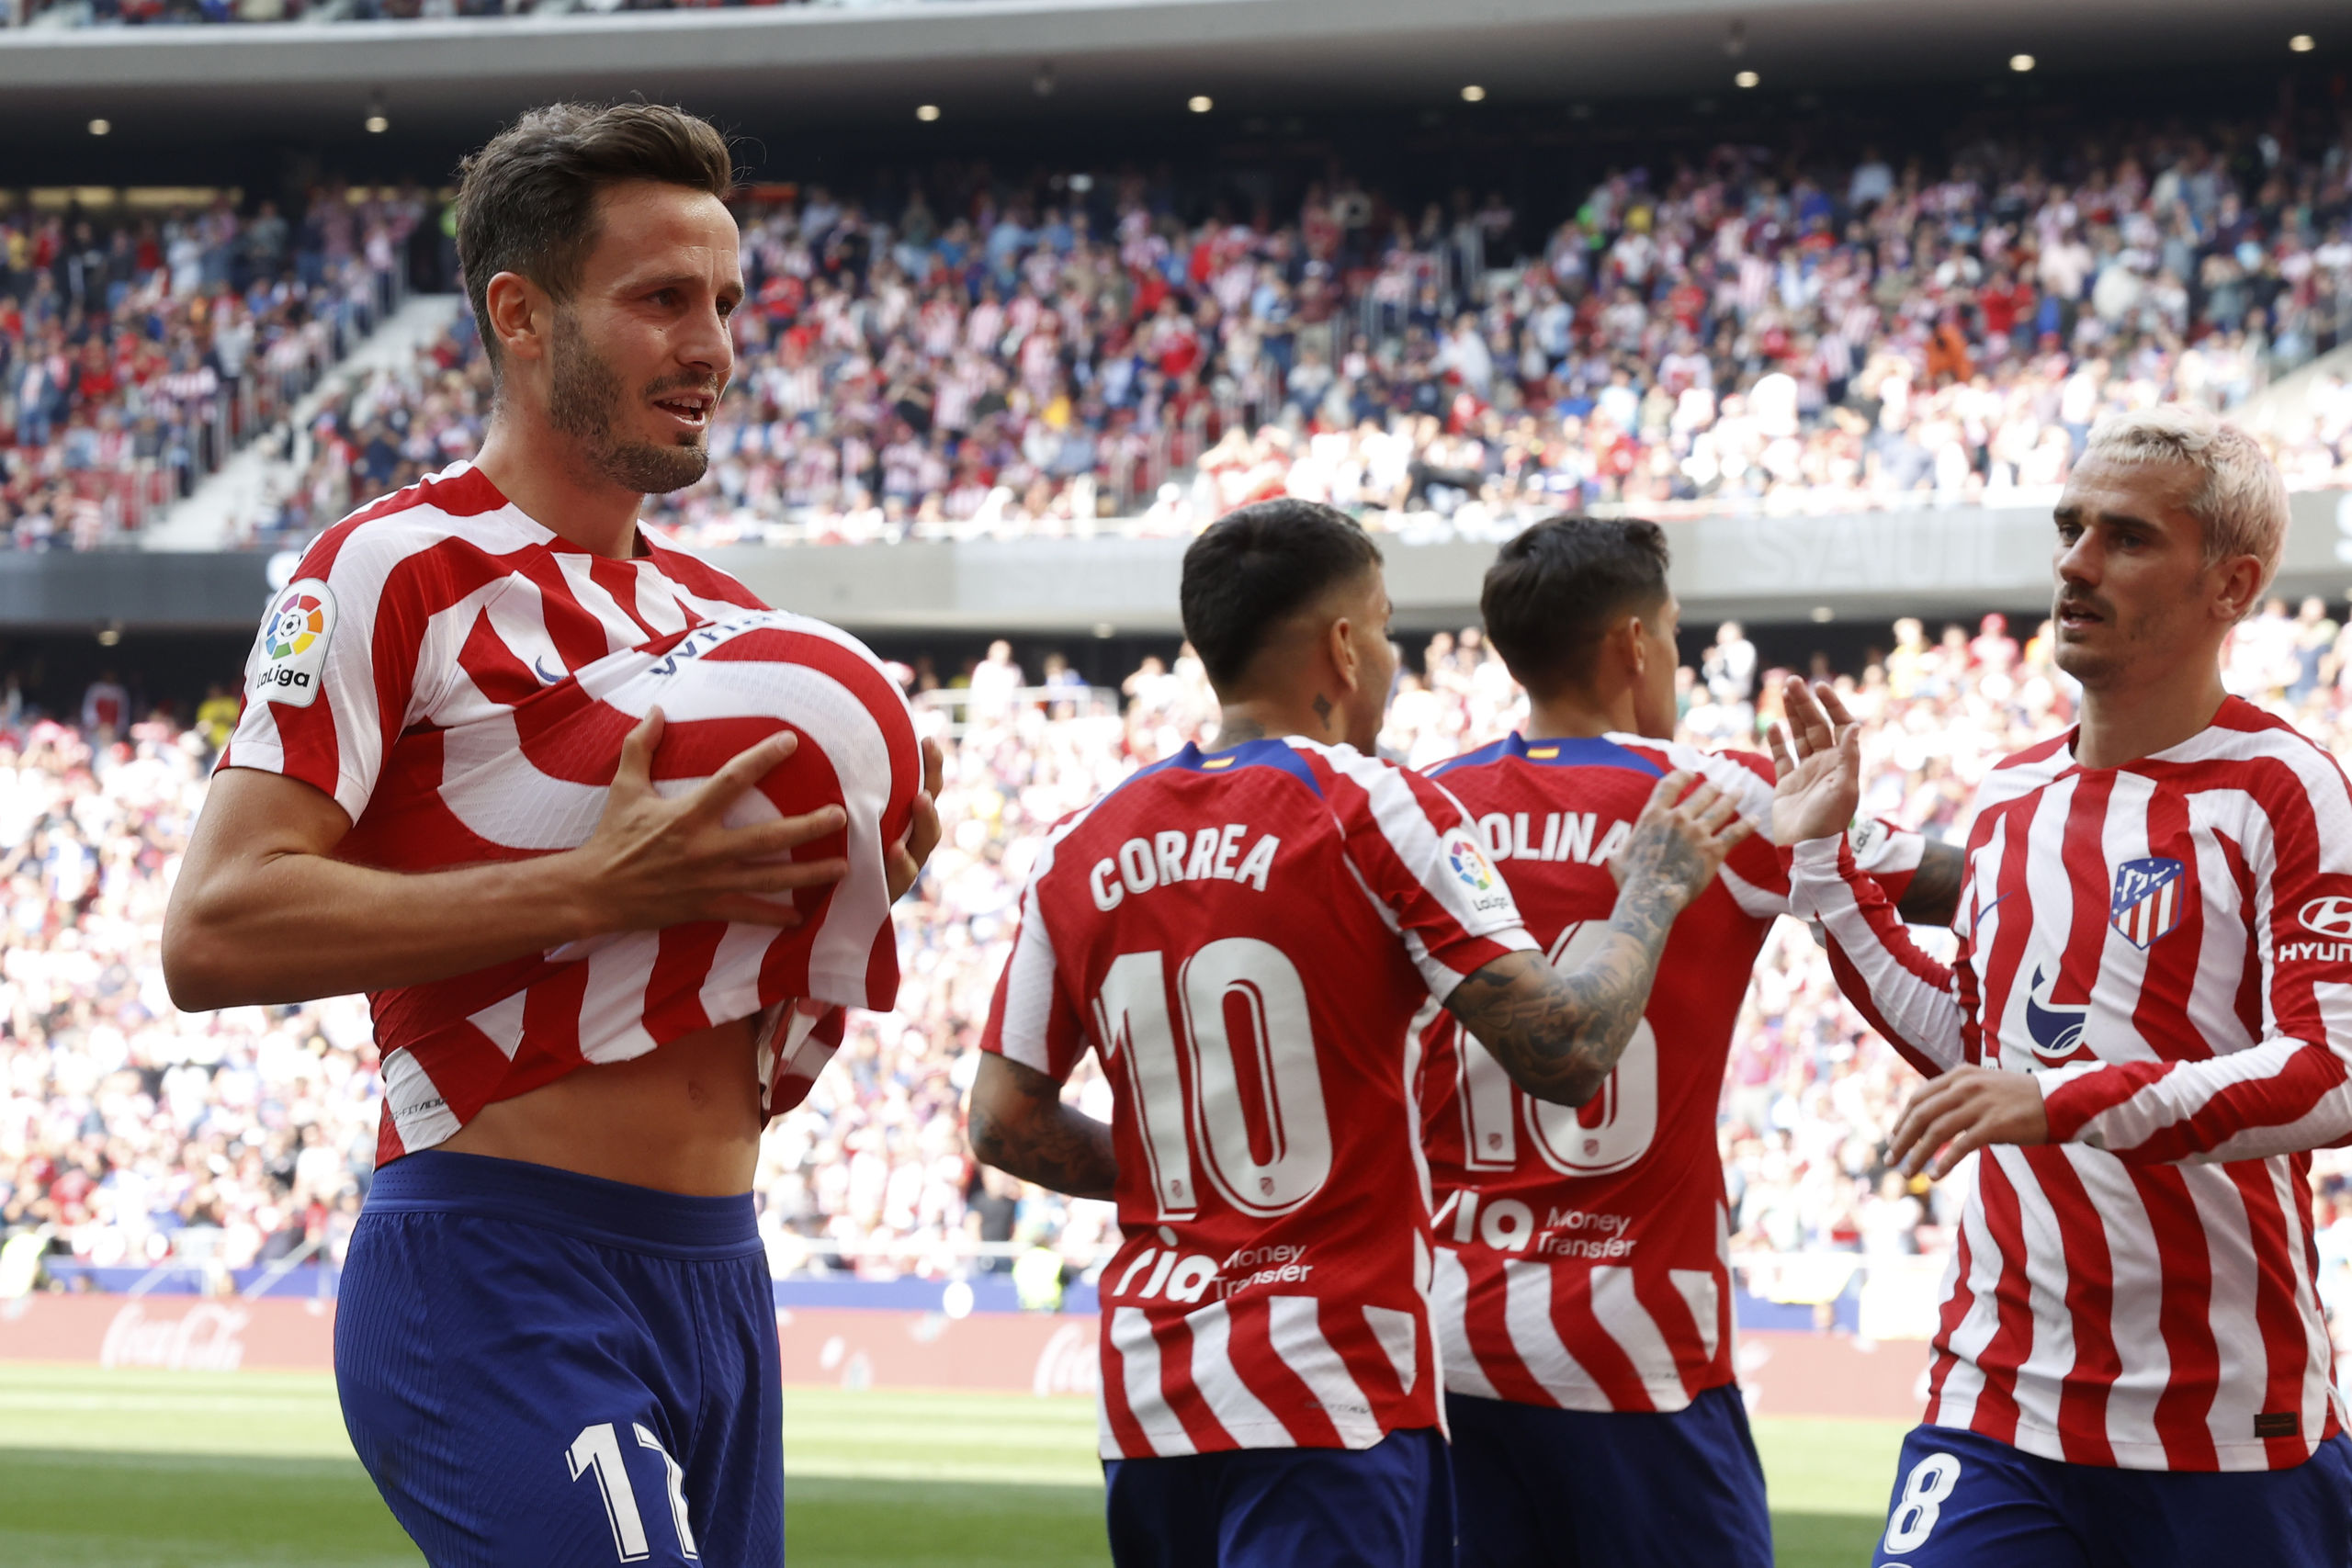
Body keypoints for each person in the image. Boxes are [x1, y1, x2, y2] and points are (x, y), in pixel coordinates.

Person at [162, 103, 942, 1568]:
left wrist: (841, 878)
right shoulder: (388, 567)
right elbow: (213, 929)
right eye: (662, 299)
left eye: (725, 302)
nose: (712, 346)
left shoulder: (719, 614)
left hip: (723, 1274)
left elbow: (705, 982)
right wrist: (597, 882)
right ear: (520, 314)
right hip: (494, 1262)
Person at [964, 498, 1753, 1568]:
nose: (1390, 659)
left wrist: (1193, 1185)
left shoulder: (1079, 845)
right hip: (1329, 1384)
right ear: (1341, 647)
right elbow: (1566, 1052)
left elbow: (1003, 1124)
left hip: (1151, 1398)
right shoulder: (1372, 808)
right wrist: (1650, 893)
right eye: (1384, 629)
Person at [1770, 406, 2352, 1567]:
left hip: (2221, 1420)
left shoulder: (2284, 789)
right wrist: (1825, 869)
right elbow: (1975, 1048)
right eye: (2070, 528)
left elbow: (2328, 1075)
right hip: (1996, 1399)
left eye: (2125, 538)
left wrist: (2060, 1097)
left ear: (2232, 586)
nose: (2075, 564)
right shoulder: (2008, 795)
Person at [1417, 514, 1960, 1568]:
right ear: (1634, 644)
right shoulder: (1717, 795)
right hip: (1633, 1345)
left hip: (1443, 1338)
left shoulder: (1423, 807)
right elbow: (1955, 886)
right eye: (1671, 631)